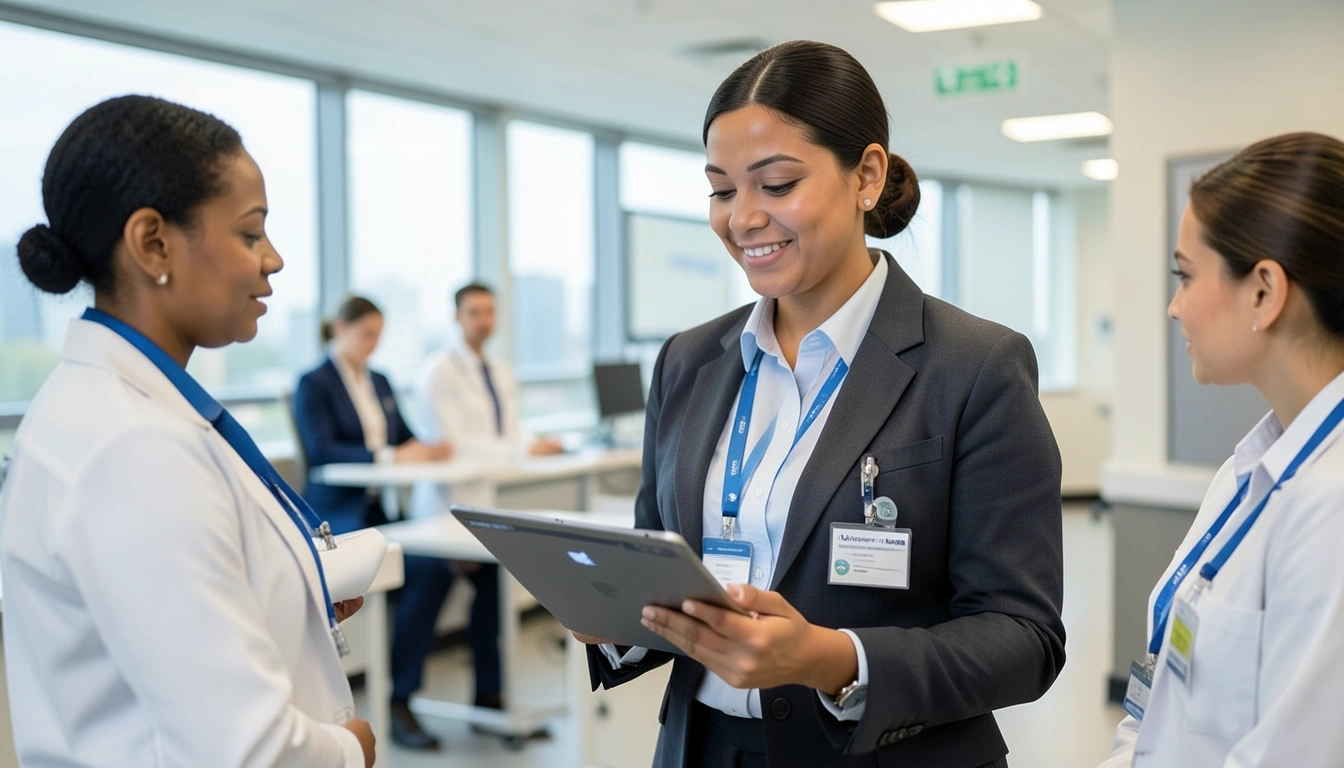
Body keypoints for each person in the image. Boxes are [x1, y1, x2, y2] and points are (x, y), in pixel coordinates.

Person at [573, 41, 1065, 768]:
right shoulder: (688, 361)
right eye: (721, 189)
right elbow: (666, 559)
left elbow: (1024, 638)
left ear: (865, 175)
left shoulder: (972, 366)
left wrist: (832, 659)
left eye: (775, 184)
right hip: (703, 749)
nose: (742, 219)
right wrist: (614, 615)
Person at [0, 95, 374, 767]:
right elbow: (247, 751)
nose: (275, 260)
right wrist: (350, 752)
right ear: (154, 242)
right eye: (251, 234)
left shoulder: (112, 408)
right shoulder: (132, 446)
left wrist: (289, 592)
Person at [1101, 132, 1344, 766]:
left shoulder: (1332, 505)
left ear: (1264, 291)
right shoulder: (1251, 471)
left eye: (1186, 276)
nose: (1174, 306)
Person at [292, 296, 501, 750]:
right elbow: (323, 451)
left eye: (379, 336)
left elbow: (403, 435)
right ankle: (400, 700)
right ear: (340, 330)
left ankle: (489, 695)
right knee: (428, 569)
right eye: (366, 334)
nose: (373, 344)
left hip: (381, 515)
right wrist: (391, 455)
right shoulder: (314, 383)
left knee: (483, 565)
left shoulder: (380, 380)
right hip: (338, 517)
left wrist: (428, 447)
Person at [413, 282, 563, 470]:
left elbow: (510, 427)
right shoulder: (438, 371)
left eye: (490, 312)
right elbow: (450, 443)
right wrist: (522, 450)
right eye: (474, 313)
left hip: (500, 476)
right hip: (456, 488)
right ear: (457, 316)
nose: (484, 321)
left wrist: (536, 444)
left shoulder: (501, 370)